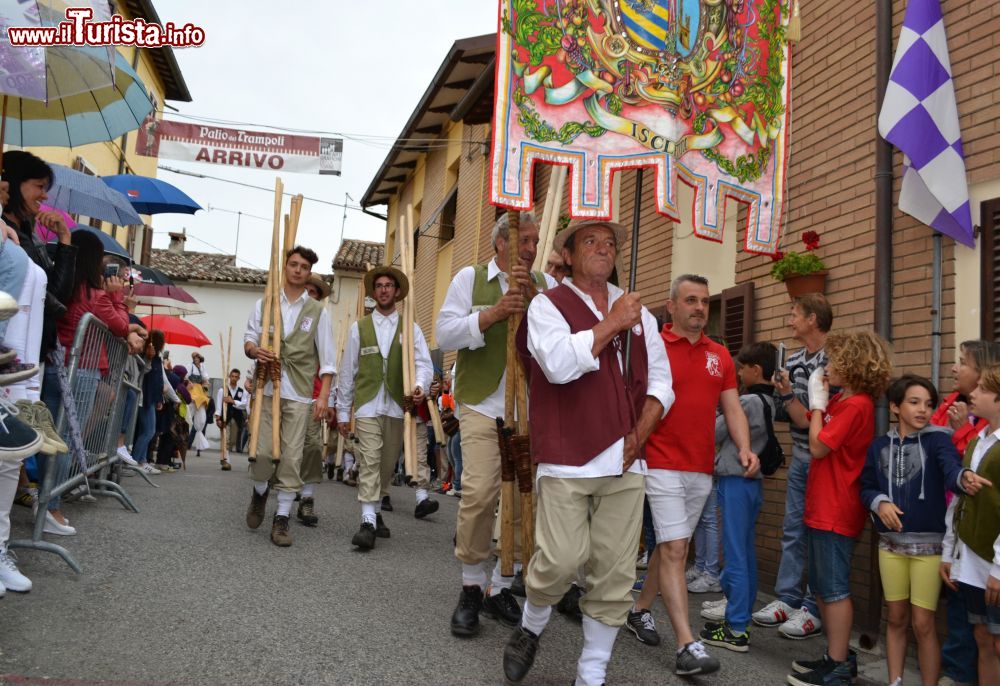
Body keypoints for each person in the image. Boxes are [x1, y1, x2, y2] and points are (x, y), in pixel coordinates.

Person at [500, 219, 673, 686]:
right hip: (566, 456)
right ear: (570, 256)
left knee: (615, 573)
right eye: (590, 241)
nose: (602, 248)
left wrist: (639, 434)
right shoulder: (547, 306)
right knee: (558, 560)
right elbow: (556, 366)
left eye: (610, 243)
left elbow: (661, 382)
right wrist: (613, 322)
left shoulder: (643, 314)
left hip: (627, 458)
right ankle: (530, 625)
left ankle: (591, 673)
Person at [436, 212, 557, 636]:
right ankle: (471, 586)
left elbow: (561, 341)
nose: (531, 246)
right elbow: (445, 334)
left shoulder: (547, 286)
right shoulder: (469, 279)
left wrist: (536, 307)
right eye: (524, 239)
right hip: (481, 403)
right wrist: (491, 315)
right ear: (501, 242)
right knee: (481, 490)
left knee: (526, 498)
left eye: (535, 240)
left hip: (530, 407)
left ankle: (501, 585)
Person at [629, 274, 756, 676]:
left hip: (701, 467)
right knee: (675, 550)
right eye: (690, 300)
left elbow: (732, 407)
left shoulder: (720, 354)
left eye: (704, 301)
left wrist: (745, 446)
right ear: (672, 306)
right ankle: (688, 645)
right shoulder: (652, 348)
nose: (700, 307)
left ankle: (639, 609)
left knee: (673, 546)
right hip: (659, 461)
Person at [860, 374, 989, 686]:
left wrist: (963, 477)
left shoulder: (938, 440)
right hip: (889, 547)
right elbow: (866, 486)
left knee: (923, 624)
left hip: (929, 551)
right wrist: (880, 502)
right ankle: (896, 681)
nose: (923, 410)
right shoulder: (878, 446)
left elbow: (950, 470)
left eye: (929, 404)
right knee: (896, 618)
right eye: (914, 402)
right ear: (894, 406)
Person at [786, 330, 893, 686]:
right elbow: (813, 432)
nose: (827, 366)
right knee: (820, 585)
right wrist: (818, 404)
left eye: (833, 360)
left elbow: (818, 447)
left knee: (833, 589)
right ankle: (835, 655)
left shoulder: (857, 404)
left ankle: (839, 664)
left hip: (837, 508)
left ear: (852, 364)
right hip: (823, 505)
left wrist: (818, 405)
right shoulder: (843, 401)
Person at [243, 246, 335, 547]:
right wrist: (255, 351)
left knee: (292, 457)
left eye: (304, 266)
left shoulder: (319, 312)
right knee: (263, 451)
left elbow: (328, 358)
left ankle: (281, 519)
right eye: (293, 264)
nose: (298, 270)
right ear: (285, 267)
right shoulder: (265, 303)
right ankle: (259, 493)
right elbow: (249, 339)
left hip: (299, 393)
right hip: (268, 389)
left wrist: (323, 398)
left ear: (310, 272)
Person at [337, 265, 433, 549]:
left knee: (386, 464)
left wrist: (420, 387)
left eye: (388, 285)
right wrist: (343, 411)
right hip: (367, 405)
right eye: (378, 285)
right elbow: (347, 371)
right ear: (373, 292)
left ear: (397, 291)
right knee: (369, 459)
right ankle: (367, 520)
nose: (383, 289)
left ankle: (376, 512)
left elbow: (424, 364)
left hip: (395, 406)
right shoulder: (359, 328)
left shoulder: (410, 328)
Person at [762, 293, 834, 639]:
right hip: (801, 456)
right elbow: (786, 414)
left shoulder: (835, 359)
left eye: (795, 315)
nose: (790, 321)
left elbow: (813, 419)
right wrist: (782, 392)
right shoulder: (791, 359)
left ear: (813, 320)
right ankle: (787, 598)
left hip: (824, 459)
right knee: (792, 530)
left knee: (817, 535)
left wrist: (790, 397)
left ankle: (811, 606)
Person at [697, 342, 774, 652]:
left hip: (735, 480)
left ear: (755, 369)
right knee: (746, 552)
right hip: (752, 483)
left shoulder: (746, 401)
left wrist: (718, 406)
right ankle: (738, 616)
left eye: (742, 368)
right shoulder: (769, 401)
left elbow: (714, 432)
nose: (739, 373)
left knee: (735, 555)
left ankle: (737, 627)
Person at [931, 340, 1000, 685]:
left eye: (984, 389)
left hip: (991, 558)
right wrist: (950, 551)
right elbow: (959, 496)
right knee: (978, 634)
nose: (955, 368)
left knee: (993, 638)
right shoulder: (977, 437)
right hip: (966, 551)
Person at [297, 273, 336, 526]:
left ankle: (307, 498)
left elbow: (330, 360)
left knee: (312, 446)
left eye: (314, 292)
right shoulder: (288, 315)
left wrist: (329, 399)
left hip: (313, 396)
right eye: (306, 290)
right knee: (287, 447)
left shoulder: (322, 318)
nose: (309, 295)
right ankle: (280, 493)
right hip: (287, 392)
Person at [133, 330, 166, 475]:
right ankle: (136, 460)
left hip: (151, 398)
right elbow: (149, 379)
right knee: (149, 431)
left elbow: (158, 381)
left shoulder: (156, 358)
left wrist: (159, 398)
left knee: (146, 431)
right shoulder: (147, 357)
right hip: (145, 398)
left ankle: (141, 460)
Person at [215, 368, 249, 469]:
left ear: (239, 378)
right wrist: (218, 418)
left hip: (237, 419)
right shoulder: (223, 390)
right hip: (226, 417)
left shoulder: (242, 392)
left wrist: (232, 401)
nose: (234, 378)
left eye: (236, 377)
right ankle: (226, 462)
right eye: (232, 376)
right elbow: (218, 405)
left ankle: (224, 458)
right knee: (226, 439)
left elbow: (244, 405)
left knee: (232, 440)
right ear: (229, 377)